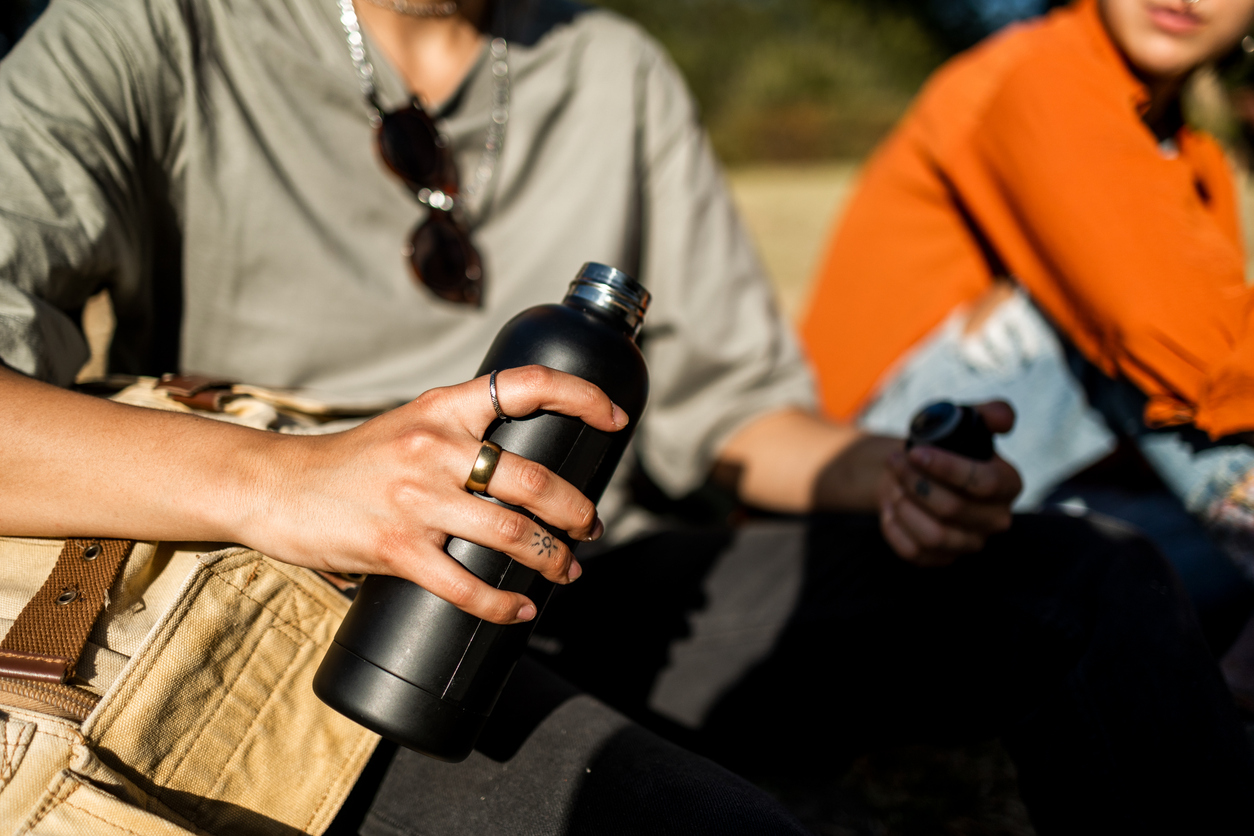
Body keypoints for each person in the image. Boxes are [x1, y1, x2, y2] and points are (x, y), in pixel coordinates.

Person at [0, 0, 1251, 833]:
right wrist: (289, 481)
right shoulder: (148, 30)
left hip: (614, 582)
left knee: (1089, 577)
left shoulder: (612, 65)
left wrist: (891, 473)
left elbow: (737, 411)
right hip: (329, 628)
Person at [800, 0, 1254, 650]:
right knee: (1119, 283)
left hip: (1019, 502)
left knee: (1179, 556)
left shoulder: (1197, 156)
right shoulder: (1036, 75)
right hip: (871, 499)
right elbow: (1185, 343)